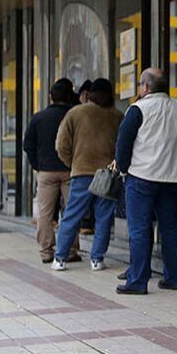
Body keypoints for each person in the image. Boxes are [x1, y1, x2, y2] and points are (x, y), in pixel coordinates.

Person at [114, 68, 177, 295]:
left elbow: (123, 144)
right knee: (170, 229)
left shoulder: (138, 109)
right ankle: (173, 278)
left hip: (141, 177)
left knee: (139, 229)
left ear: (146, 87)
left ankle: (137, 281)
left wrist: (123, 169)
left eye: (139, 84)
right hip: (172, 178)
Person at [52, 78, 124, 271]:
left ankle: (59, 258)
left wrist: (73, 163)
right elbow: (123, 146)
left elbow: (61, 145)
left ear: (90, 94)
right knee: (103, 219)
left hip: (82, 172)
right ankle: (97, 259)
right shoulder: (117, 116)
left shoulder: (75, 112)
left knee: (71, 216)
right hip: (107, 175)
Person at [24, 79, 80, 264]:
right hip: (70, 170)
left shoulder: (39, 117)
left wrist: (38, 165)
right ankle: (71, 250)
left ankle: (47, 251)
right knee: (71, 211)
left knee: (45, 213)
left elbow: (28, 145)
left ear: (51, 97)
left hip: (46, 171)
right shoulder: (73, 115)